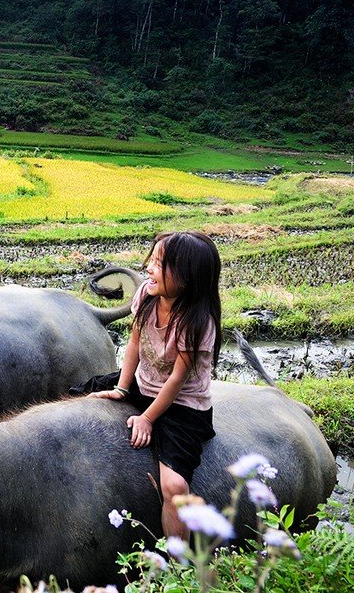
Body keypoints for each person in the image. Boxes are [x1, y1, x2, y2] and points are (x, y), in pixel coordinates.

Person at [73, 231, 222, 539]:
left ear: (188, 278)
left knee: (174, 487)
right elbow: (135, 344)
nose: (149, 269)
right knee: (75, 396)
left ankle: (179, 566)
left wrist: (147, 418)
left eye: (160, 264)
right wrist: (122, 388)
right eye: (152, 260)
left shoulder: (197, 322)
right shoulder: (146, 295)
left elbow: (177, 381)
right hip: (142, 385)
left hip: (182, 406)